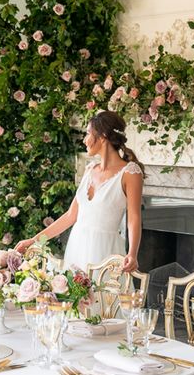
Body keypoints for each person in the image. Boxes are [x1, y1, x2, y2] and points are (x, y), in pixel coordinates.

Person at [15, 110, 144, 273]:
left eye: (88, 133)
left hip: (106, 254)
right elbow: (70, 216)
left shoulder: (130, 172)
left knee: (103, 298)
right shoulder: (90, 170)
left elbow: (134, 217)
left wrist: (132, 253)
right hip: (77, 247)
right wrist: (35, 241)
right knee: (75, 296)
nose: (84, 140)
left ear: (103, 136)